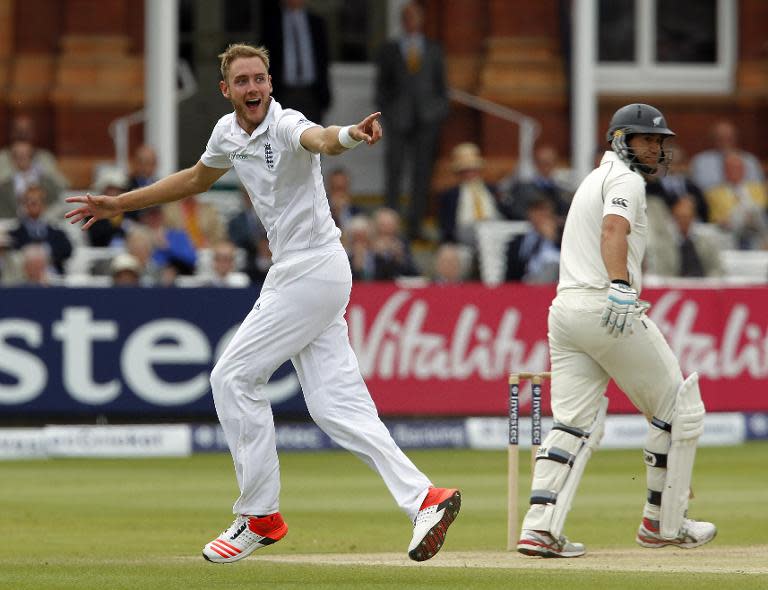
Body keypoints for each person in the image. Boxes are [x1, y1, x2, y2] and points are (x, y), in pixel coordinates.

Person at [66, 43, 460, 564]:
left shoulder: (285, 123)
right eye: (243, 81)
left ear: (270, 83)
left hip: (313, 269)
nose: (254, 89)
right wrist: (120, 203)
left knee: (231, 378)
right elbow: (193, 180)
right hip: (298, 273)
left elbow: (319, 139)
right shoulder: (227, 134)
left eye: (260, 79)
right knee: (334, 405)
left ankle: (260, 516)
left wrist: (350, 135)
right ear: (226, 90)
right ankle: (424, 500)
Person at [516, 103, 716, 558]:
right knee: (679, 409)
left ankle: (540, 528)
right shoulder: (625, 180)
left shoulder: (593, 178)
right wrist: (621, 286)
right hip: (605, 307)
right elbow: (613, 230)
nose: (656, 148)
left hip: (565, 311)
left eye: (659, 141)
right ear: (621, 139)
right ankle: (663, 523)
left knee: (574, 424)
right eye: (646, 139)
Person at [375, 1, 449, 240]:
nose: (410, 22)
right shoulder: (390, 49)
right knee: (394, 172)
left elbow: (441, 87)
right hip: (398, 120)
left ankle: (415, 226)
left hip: (427, 120)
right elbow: (382, 87)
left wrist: (437, 112)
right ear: (402, 21)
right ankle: (390, 228)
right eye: (406, 17)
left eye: (414, 17)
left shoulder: (434, 49)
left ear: (422, 19)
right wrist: (388, 112)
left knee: (421, 174)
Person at [261, 0, 331, 124]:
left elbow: (323, 60)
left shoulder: (316, 22)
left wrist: (325, 93)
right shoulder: (272, 23)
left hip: (311, 93)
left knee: (312, 137)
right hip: (282, 92)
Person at [437, 142, 504, 246]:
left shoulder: (493, 189)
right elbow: (445, 225)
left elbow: (507, 211)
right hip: (464, 235)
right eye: (465, 170)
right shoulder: (449, 195)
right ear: (459, 173)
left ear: (478, 170)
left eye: (473, 170)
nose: (469, 174)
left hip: (494, 232)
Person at [704, 151, 768, 250]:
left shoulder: (758, 189)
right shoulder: (714, 193)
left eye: (738, 168)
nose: (734, 171)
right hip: (729, 235)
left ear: (744, 170)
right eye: (731, 168)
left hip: (758, 233)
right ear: (724, 171)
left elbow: (762, 210)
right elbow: (714, 219)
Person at [10, 184, 73, 275]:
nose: (33, 203)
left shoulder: (58, 233)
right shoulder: (14, 235)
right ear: (23, 205)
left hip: (54, 277)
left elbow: (67, 251)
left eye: (37, 200)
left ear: (44, 205)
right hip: (25, 278)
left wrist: (47, 253)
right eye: (29, 200)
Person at [690, 119, 765, 191]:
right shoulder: (701, 161)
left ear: (736, 138)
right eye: (720, 138)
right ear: (713, 139)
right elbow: (699, 187)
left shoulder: (750, 159)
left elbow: (758, 185)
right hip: (712, 201)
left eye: (729, 138)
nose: (725, 142)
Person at [504, 197, 561, 284]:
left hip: (553, 281)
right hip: (526, 281)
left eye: (544, 212)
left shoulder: (562, 237)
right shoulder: (519, 240)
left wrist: (553, 239)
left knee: (552, 264)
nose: (540, 217)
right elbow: (513, 269)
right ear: (529, 214)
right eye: (537, 212)